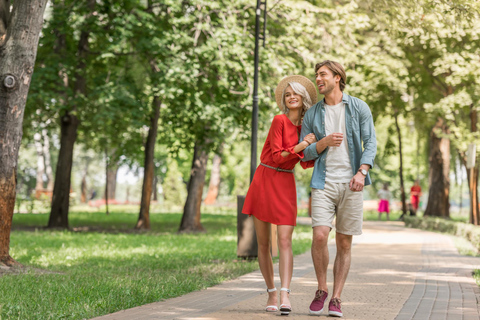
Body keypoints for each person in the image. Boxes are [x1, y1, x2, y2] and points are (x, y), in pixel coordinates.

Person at [300, 60, 377, 317]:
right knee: (320, 235)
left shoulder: (358, 107)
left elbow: (371, 142)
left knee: (344, 242)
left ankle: (336, 297)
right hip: (324, 182)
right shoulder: (311, 114)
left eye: (322, 75)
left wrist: (362, 171)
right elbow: (305, 153)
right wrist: (323, 142)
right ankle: (321, 289)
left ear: (337, 77)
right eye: (317, 75)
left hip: (352, 183)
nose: (318, 79)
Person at [242, 75, 318, 315]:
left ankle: (285, 292)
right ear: (285, 101)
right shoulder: (279, 121)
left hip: (285, 183)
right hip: (265, 178)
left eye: (295, 93)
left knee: (285, 240)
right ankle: (271, 292)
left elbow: (305, 163)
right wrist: (303, 145)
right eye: (287, 94)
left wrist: (319, 146)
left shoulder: (306, 128)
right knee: (264, 244)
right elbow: (277, 156)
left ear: (303, 98)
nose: (292, 97)